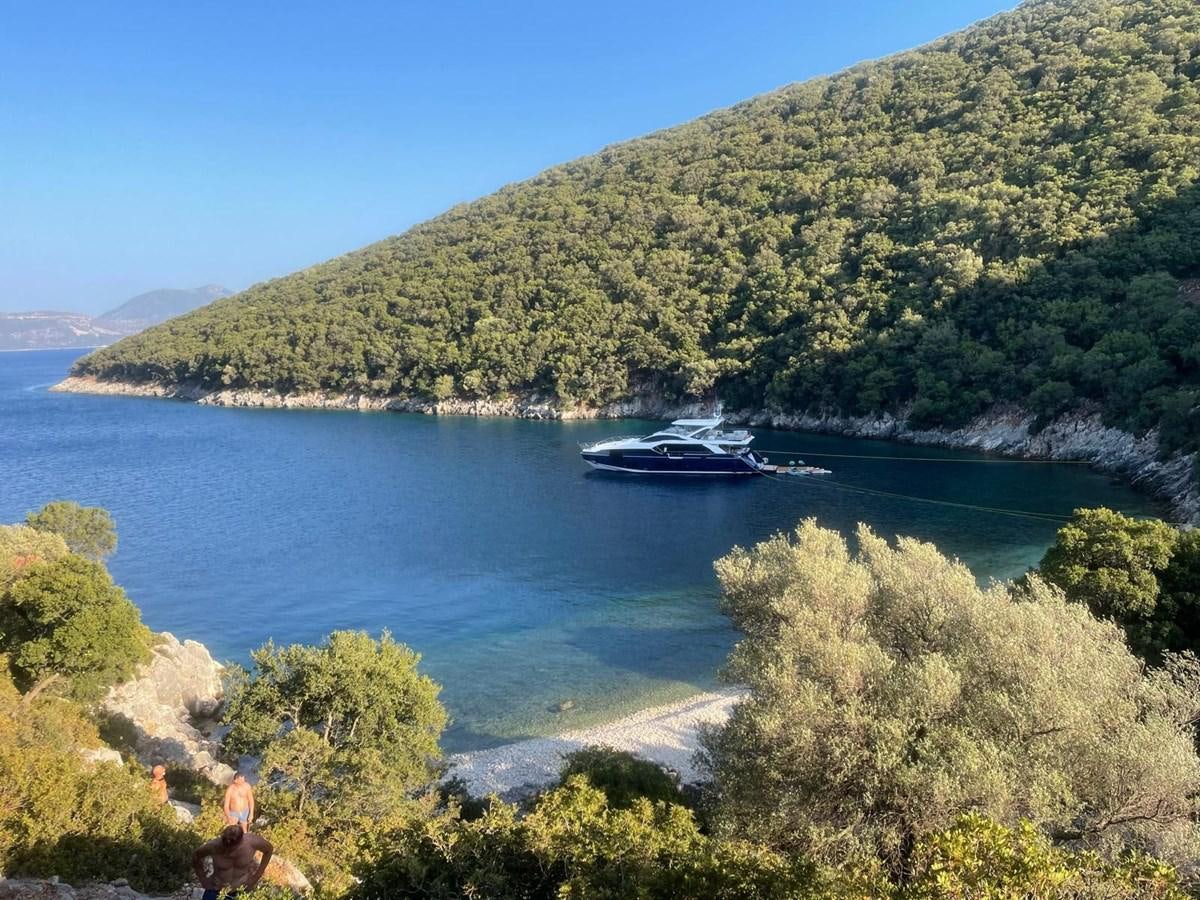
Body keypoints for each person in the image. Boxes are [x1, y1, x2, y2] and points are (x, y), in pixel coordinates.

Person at [192, 825, 273, 900]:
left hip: (242, 889)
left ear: (240, 841)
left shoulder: (252, 843)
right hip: (217, 889)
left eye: (232, 848)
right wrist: (203, 879)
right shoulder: (213, 846)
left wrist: (256, 877)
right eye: (225, 847)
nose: (228, 851)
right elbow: (196, 856)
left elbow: (269, 850)